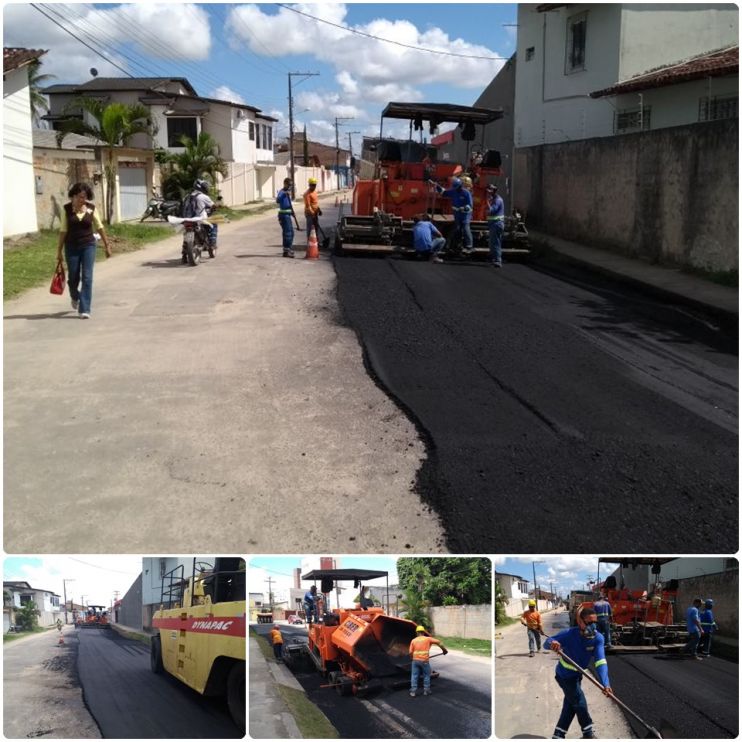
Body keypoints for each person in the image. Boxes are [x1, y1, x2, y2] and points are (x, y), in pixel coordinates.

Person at [544, 607, 613, 740]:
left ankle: (558, 735)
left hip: (577, 676)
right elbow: (546, 643)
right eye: (588, 623)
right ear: (580, 622)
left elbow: (600, 662)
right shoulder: (569, 634)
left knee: (571, 703)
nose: (593, 626)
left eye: (595, 623)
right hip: (564, 675)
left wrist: (606, 683)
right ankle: (588, 732)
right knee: (579, 701)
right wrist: (553, 643)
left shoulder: (598, 638)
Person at [56, 182, 112, 319]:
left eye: (85, 197)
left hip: (88, 246)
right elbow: (63, 230)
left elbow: (99, 227)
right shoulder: (66, 209)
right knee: (73, 277)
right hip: (72, 247)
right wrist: (59, 251)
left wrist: (107, 245)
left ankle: (85, 309)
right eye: (80, 197)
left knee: (87, 277)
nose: (82, 200)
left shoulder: (91, 209)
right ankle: (75, 296)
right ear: (73, 196)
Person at [429, 176, 473, 254]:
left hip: (465, 215)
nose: (456, 189)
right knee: (458, 230)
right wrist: (436, 186)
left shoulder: (466, 193)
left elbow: (470, 205)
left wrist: (463, 208)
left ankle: (469, 246)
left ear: (460, 186)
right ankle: (457, 246)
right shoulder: (453, 191)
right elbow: (444, 192)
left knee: (466, 229)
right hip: (457, 214)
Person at [182, 179, 217, 261]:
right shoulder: (203, 197)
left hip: (187, 219)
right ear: (201, 187)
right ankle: (212, 244)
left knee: (186, 235)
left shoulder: (187, 196)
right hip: (200, 219)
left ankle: (184, 254)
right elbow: (213, 206)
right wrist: (215, 208)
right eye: (205, 186)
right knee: (214, 224)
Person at [409, 625, 447, 697]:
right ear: (423, 632)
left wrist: (412, 658)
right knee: (426, 675)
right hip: (424, 661)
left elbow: (410, 652)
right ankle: (426, 691)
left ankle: (413, 692)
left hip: (415, 661)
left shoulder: (413, 640)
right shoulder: (428, 639)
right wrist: (444, 650)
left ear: (417, 632)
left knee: (414, 676)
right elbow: (439, 642)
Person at [486, 184, 505, 267]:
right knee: (492, 243)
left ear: (493, 191)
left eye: (489, 191)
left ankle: (498, 260)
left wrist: (486, 202)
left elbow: (492, 210)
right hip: (494, 224)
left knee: (496, 242)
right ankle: (494, 259)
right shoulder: (493, 199)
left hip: (497, 224)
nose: (488, 193)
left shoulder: (498, 200)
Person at [276, 177, 295, 258]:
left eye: (291, 185)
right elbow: (278, 200)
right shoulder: (282, 192)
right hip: (283, 215)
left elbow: (288, 204)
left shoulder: (288, 193)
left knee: (291, 232)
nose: (290, 187)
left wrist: (292, 212)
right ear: (285, 184)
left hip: (288, 214)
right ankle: (287, 250)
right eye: (289, 185)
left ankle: (288, 249)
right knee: (288, 233)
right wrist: (284, 194)